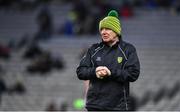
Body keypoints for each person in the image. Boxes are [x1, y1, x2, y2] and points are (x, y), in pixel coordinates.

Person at [76, 10, 140, 111]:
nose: (103, 32)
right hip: (94, 106)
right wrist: (95, 72)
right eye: (102, 29)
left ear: (116, 31)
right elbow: (80, 71)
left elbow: (133, 73)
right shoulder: (93, 49)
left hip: (117, 107)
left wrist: (111, 73)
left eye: (108, 29)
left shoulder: (128, 50)